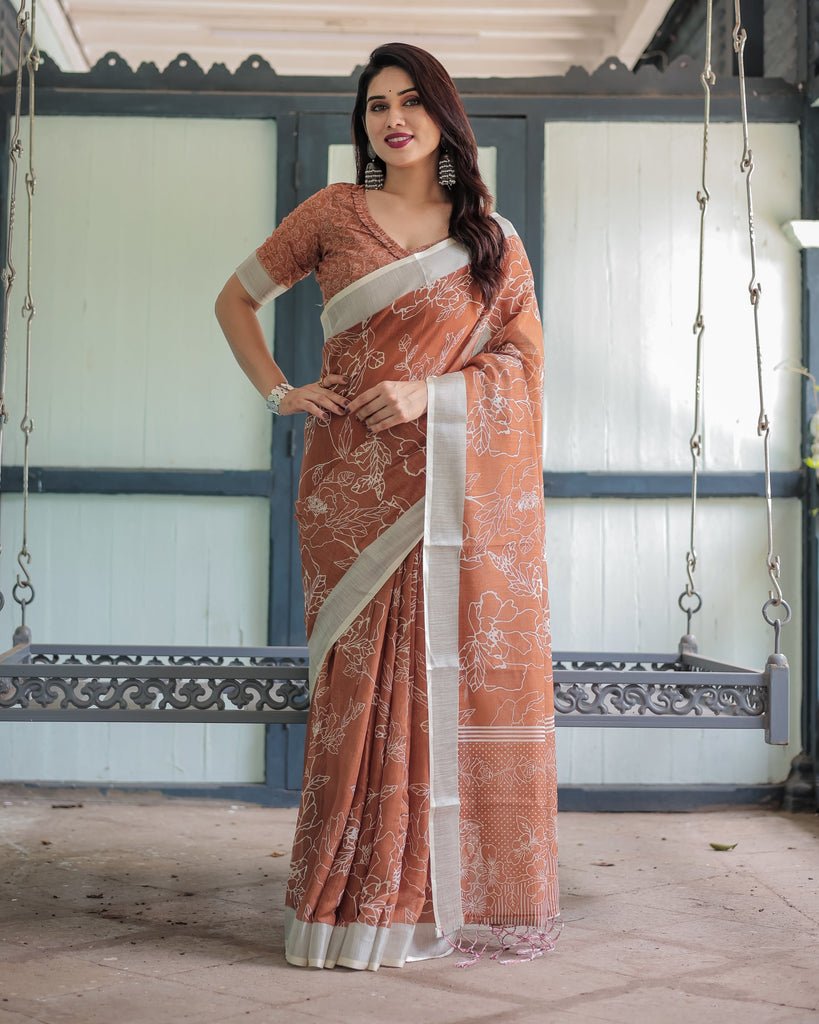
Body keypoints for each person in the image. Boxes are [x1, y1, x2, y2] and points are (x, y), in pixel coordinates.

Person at [215, 41, 560, 971]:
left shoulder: (490, 239)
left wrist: (428, 394)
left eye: (410, 102)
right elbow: (235, 301)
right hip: (349, 489)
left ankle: (426, 902)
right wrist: (280, 391)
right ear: (360, 122)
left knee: (439, 681)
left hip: (454, 494)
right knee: (355, 694)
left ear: (444, 117)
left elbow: (523, 367)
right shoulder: (331, 213)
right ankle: (341, 909)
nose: (393, 119)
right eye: (376, 105)